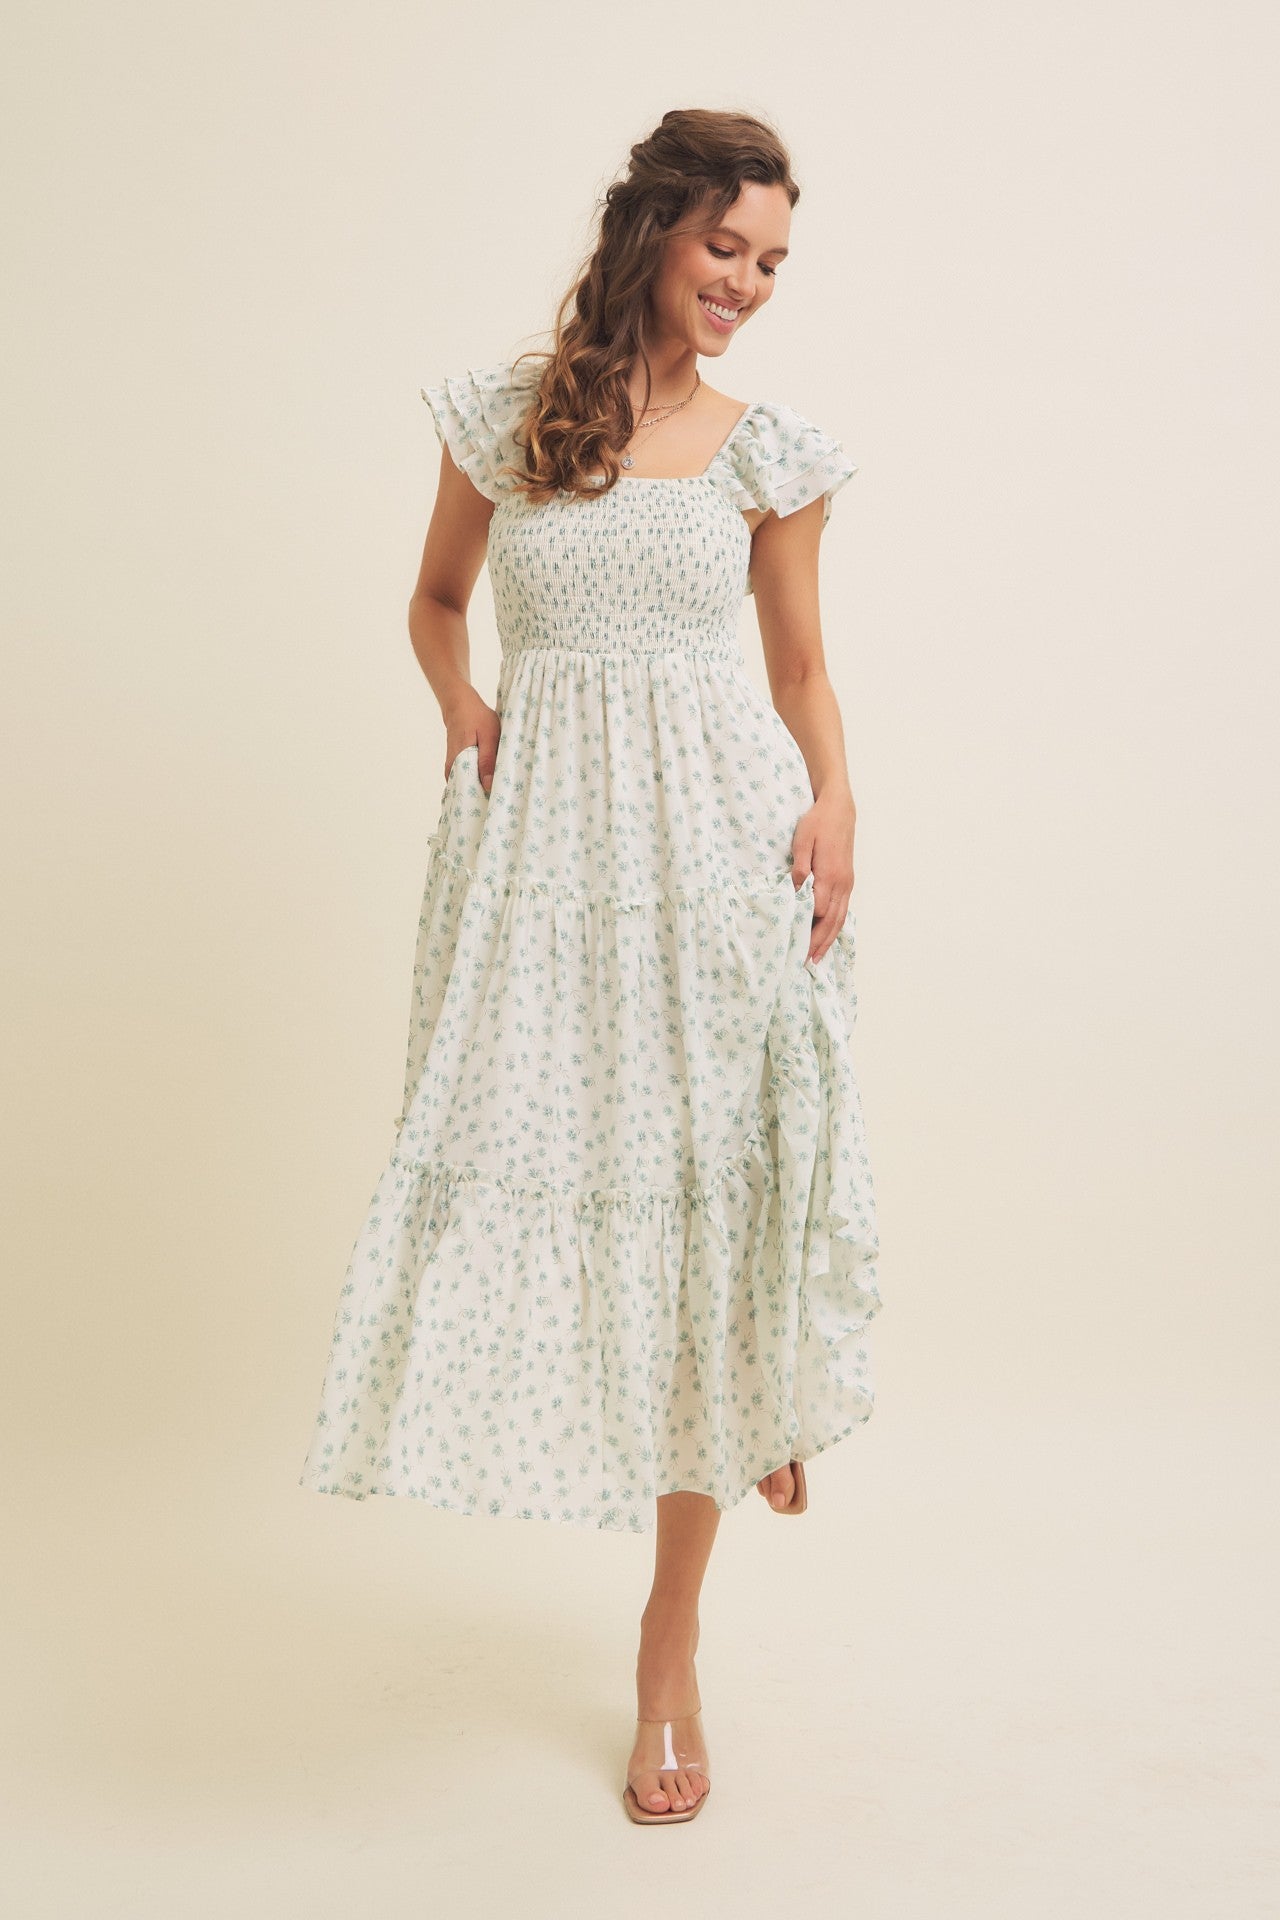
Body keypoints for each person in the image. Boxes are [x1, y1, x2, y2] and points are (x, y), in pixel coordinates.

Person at [298, 106, 882, 1825]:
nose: (749, 284)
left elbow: (800, 672)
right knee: (557, 1170)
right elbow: (435, 599)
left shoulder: (771, 454)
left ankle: (669, 1644)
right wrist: (466, 711)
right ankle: (743, 1399)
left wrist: (839, 799)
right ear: (652, 231)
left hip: (719, 851)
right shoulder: (511, 414)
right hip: (549, 861)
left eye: (772, 262)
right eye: (727, 248)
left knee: (711, 1201)